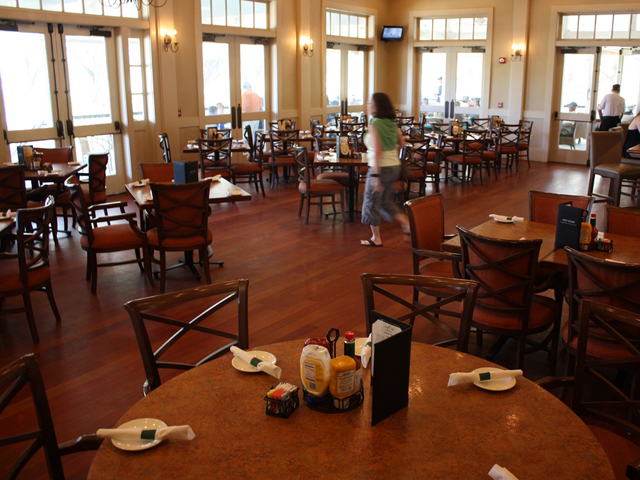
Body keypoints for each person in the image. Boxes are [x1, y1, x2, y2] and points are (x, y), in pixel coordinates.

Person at [360, 92, 410, 247]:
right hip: (394, 166)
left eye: (370, 103)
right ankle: (407, 224)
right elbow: (402, 144)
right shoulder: (392, 123)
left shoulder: (374, 123)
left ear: (377, 106)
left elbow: (378, 150)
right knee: (384, 201)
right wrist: (391, 155)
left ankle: (376, 238)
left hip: (379, 167)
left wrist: (375, 176)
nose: (368, 105)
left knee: (371, 201)